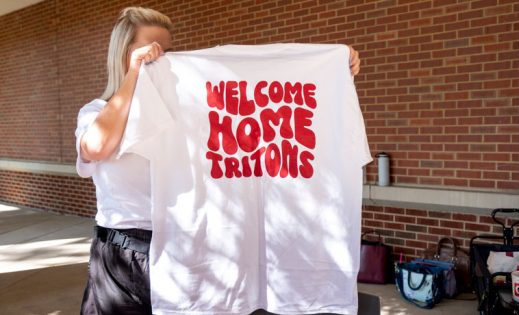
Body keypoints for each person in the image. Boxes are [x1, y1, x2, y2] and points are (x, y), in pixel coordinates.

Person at [75, 6, 361, 315]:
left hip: (182, 252)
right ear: (123, 52)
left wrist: (332, 72)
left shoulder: (184, 113)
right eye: (149, 50)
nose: (160, 58)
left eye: (167, 52)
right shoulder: (94, 112)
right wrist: (135, 73)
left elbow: (249, 94)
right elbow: (98, 146)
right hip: (122, 258)